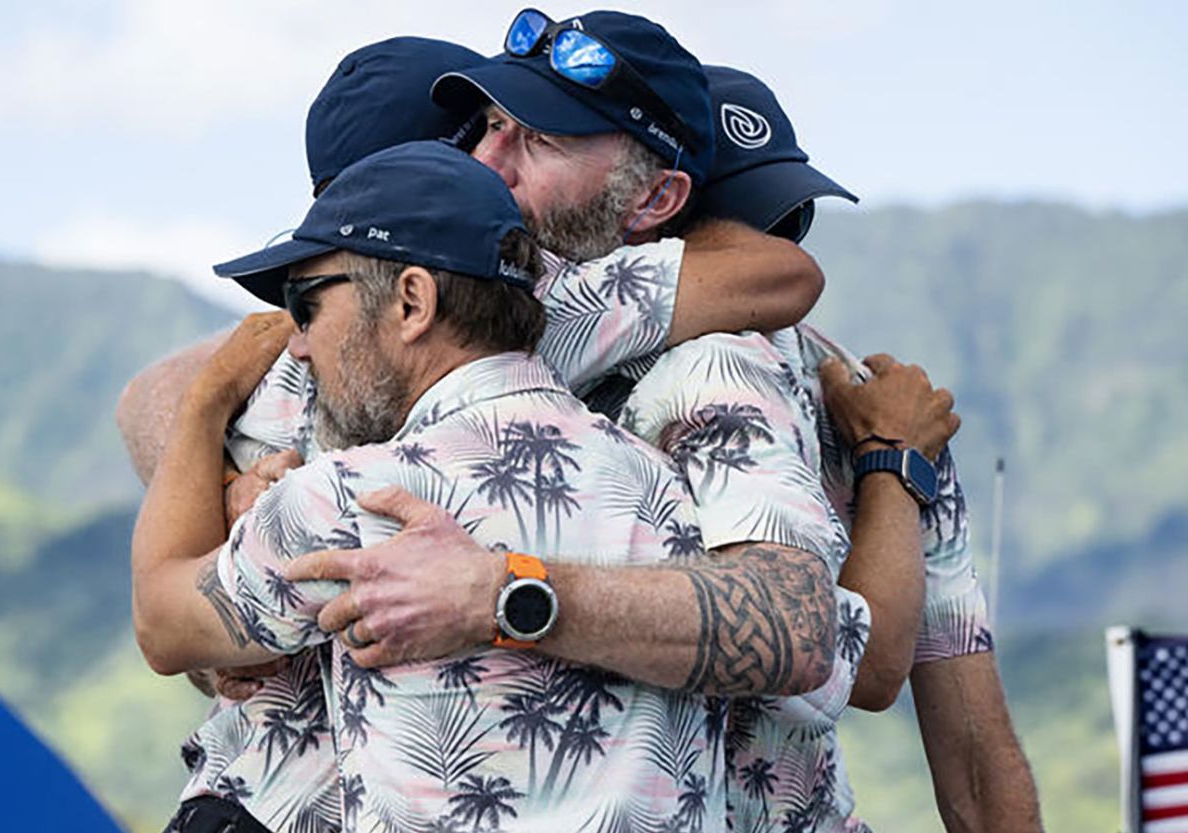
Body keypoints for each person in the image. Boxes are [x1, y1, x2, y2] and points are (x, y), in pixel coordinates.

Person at [120, 33, 829, 833]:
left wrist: (498, 591)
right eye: (486, 133)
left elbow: (163, 615)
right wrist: (226, 485)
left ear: (415, 298)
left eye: (309, 298)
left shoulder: (356, 487)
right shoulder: (654, 481)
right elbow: (153, 400)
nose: (297, 336)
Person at [685, 65, 1043, 832]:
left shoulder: (886, 415)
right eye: (741, 226)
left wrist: (891, 462)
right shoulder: (573, 380)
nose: (769, 256)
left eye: (784, 223)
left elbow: (965, 748)